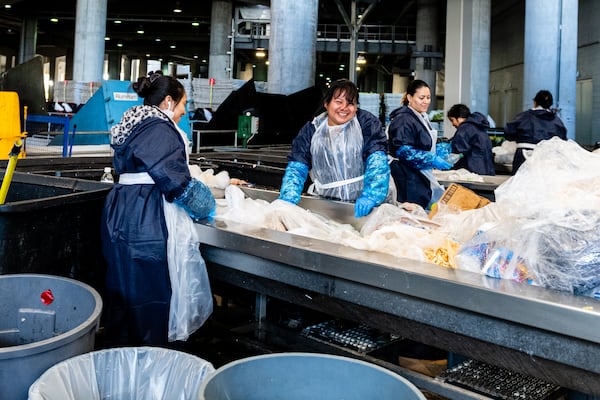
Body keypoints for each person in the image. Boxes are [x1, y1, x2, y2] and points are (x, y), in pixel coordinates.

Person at [100, 71, 216, 346]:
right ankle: (151, 368)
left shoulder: (134, 122)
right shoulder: (157, 128)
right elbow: (176, 182)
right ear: (167, 102)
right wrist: (207, 204)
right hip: (147, 216)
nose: (184, 112)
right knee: (149, 293)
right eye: (183, 104)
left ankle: (123, 363)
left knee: (124, 293)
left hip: (122, 209)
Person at [278, 78, 390, 218]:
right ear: (327, 103)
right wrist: (288, 200)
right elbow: (297, 168)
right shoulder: (312, 130)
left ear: (356, 107)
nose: (344, 108)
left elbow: (377, 161)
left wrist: (372, 195)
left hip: (363, 206)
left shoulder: (367, 123)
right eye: (338, 102)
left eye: (350, 103)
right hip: (327, 205)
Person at [387, 79, 451, 210]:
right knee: (410, 212)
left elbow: (419, 142)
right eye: (422, 97)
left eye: (428, 97)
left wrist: (437, 149)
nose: (426, 101)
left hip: (417, 174)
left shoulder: (419, 116)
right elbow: (403, 152)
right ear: (410, 97)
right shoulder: (404, 119)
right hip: (406, 177)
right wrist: (431, 159)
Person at [504, 89, 567, 174]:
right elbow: (562, 140)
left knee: (520, 183)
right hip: (547, 158)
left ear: (535, 102)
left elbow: (509, 133)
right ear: (550, 104)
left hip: (523, 155)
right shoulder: (557, 121)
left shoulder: (524, 117)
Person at [446, 104, 495, 176]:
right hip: (487, 168)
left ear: (459, 118)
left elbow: (458, 150)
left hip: (473, 169)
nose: (453, 124)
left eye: (452, 120)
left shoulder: (464, 129)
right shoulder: (478, 127)